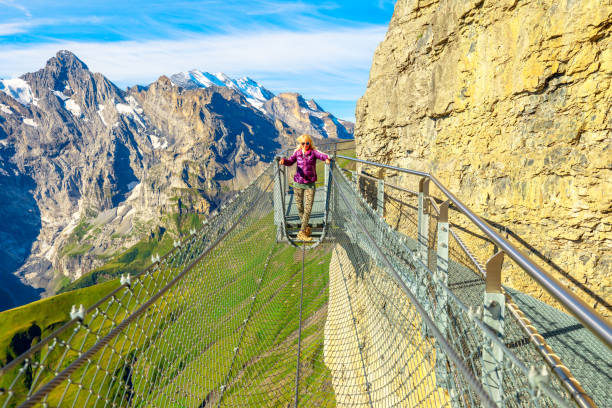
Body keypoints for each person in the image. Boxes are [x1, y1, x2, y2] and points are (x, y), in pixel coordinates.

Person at [279, 134, 330, 241]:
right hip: (298, 183)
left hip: (310, 184)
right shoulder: (297, 153)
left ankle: (301, 232)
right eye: (303, 143)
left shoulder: (313, 152)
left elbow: (322, 156)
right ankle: (306, 227)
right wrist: (283, 160)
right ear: (300, 144)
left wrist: (327, 159)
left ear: (310, 143)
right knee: (299, 207)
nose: (305, 145)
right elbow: (290, 161)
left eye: (307, 143)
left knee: (308, 207)